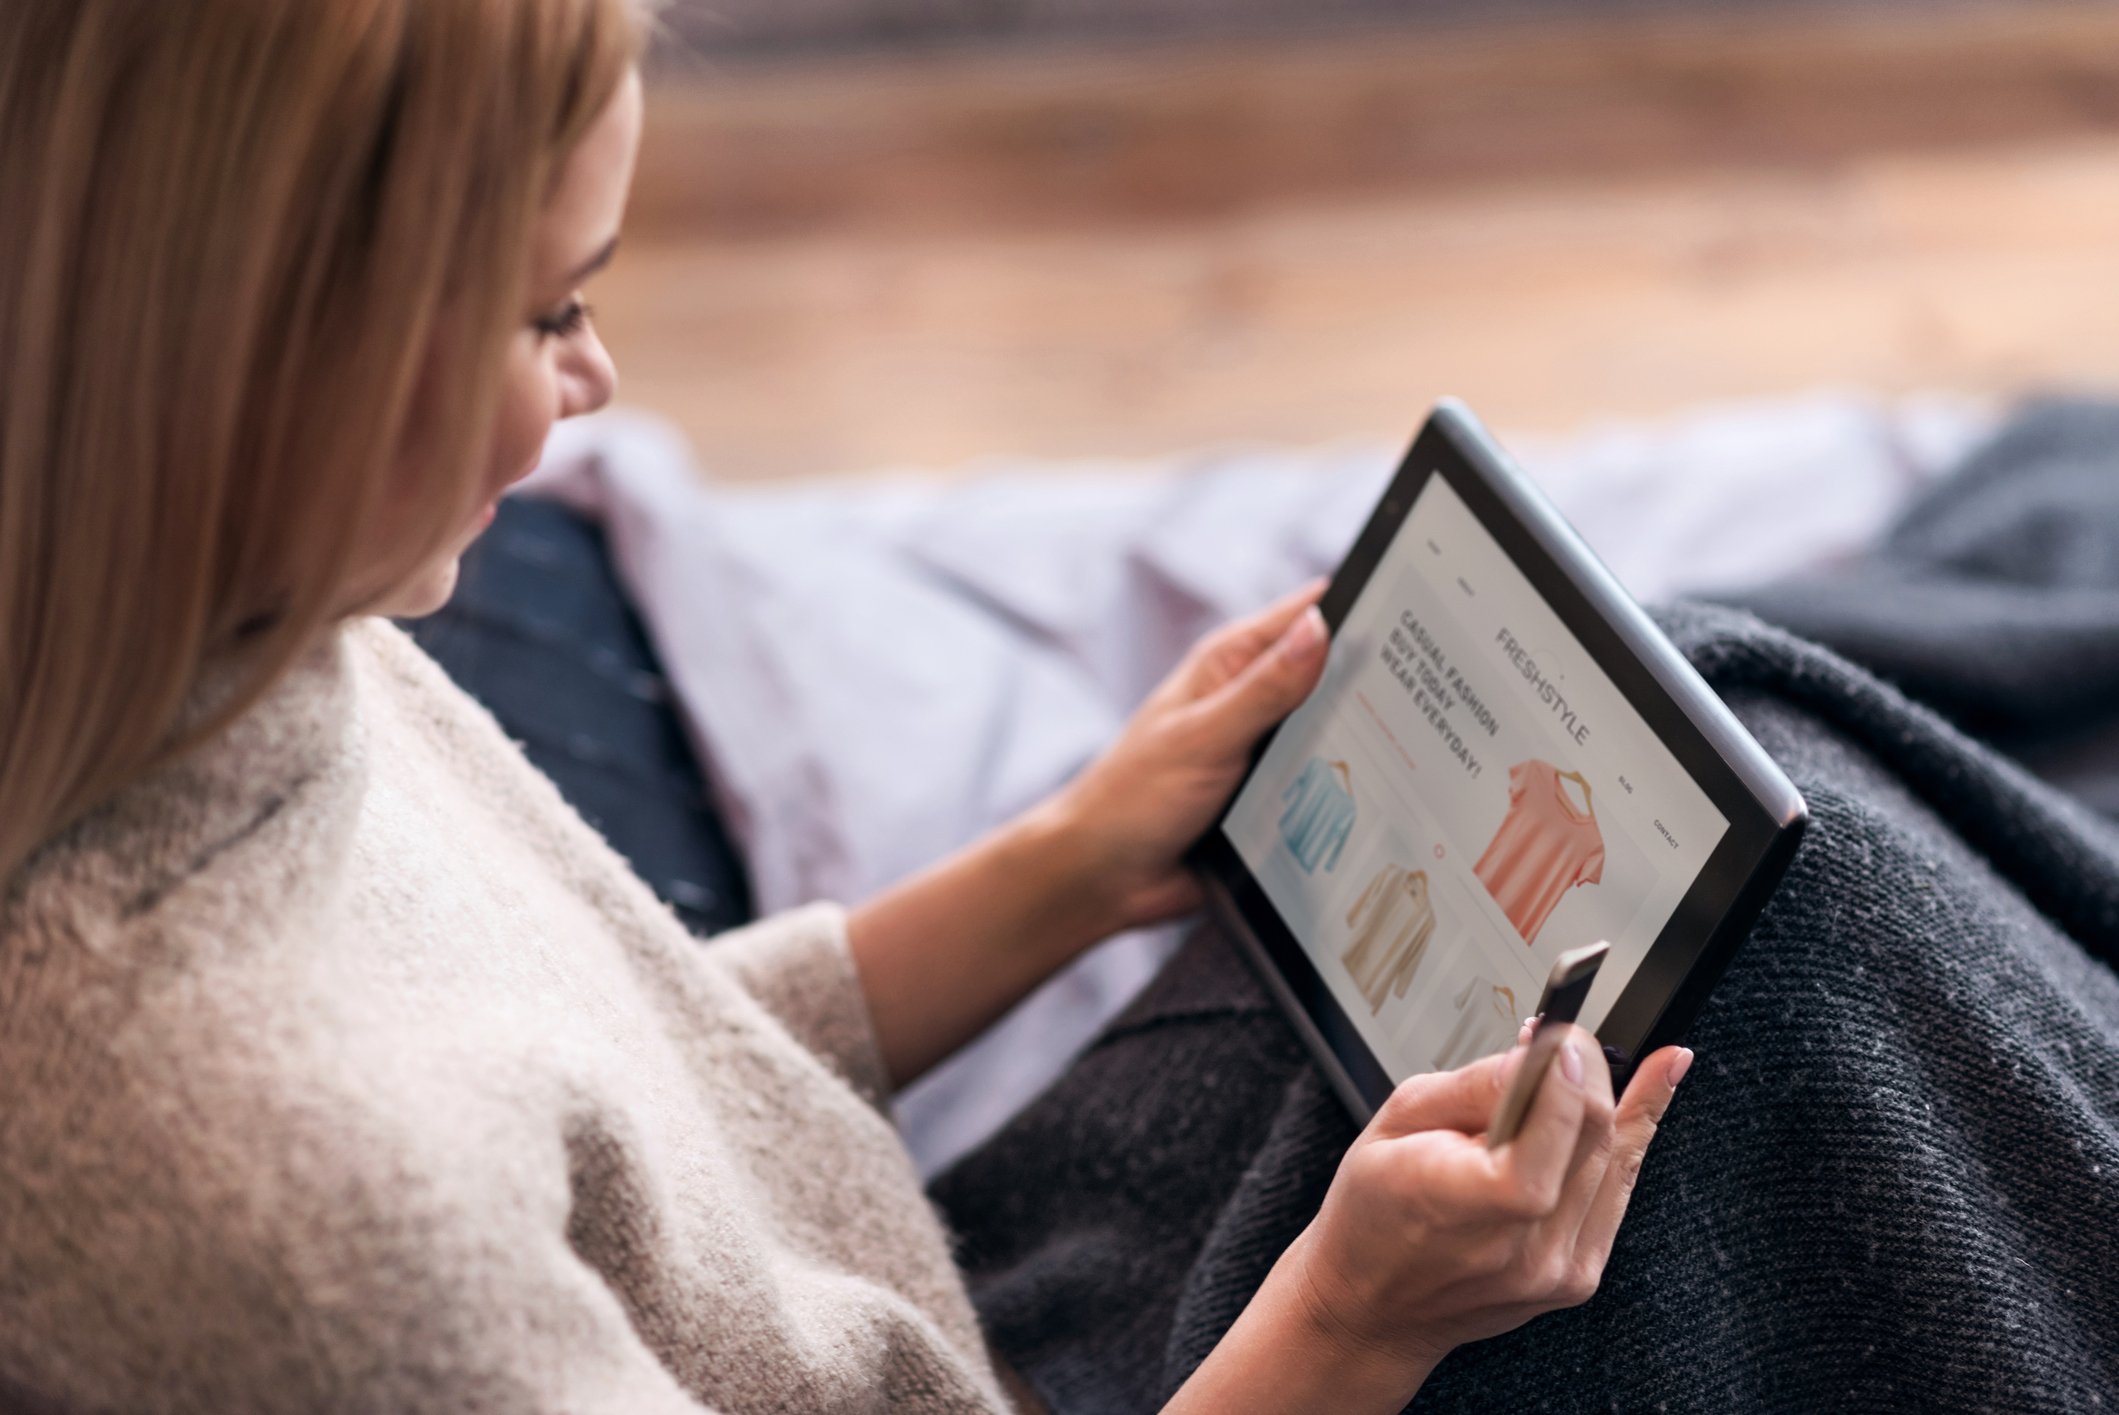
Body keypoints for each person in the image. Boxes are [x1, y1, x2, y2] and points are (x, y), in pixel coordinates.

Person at [0, 2, 1689, 1411]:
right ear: (285, 365)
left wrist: (1063, 867)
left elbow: (608, 1095)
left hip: (949, 1283)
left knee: (1727, 712)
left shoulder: (231, 631)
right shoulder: (305, 1237)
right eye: (552, 308)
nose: (596, 383)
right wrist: (1355, 1323)